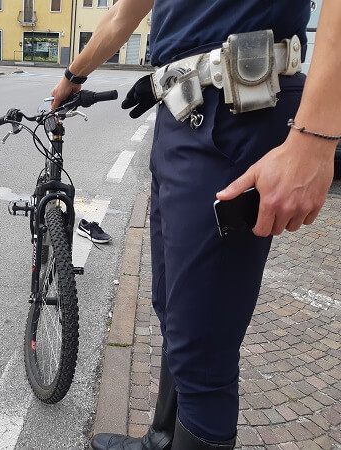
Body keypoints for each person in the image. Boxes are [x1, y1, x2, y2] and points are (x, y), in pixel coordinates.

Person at [50, 1, 340, 449]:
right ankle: (161, 438)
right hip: (180, 113)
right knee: (172, 308)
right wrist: (73, 76)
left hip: (239, 108)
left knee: (204, 350)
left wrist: (314, 139)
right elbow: (123, 13)